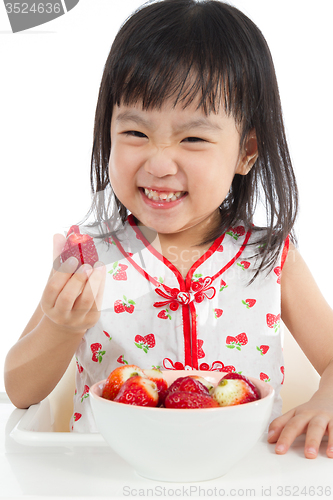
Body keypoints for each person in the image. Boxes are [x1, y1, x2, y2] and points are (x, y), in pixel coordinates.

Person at [4, 0, 333, 459]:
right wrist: (60, 327)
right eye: (135, 133)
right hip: (107, 479)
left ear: (246, 152)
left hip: (243, 478)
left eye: (193, 138)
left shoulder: (272, 258)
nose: (158, 163)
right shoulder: (89, 258)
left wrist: (325, 400)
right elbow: (19, 391)